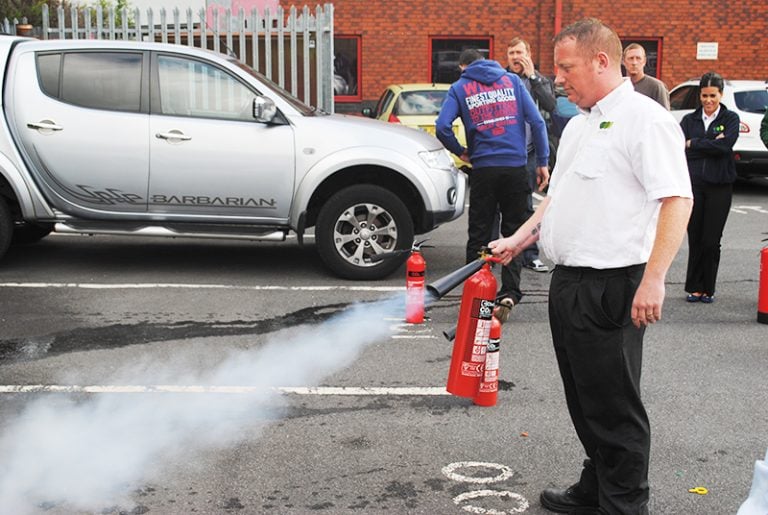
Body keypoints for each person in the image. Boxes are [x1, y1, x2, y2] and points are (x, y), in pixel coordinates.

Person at [489, 18, 692, 515]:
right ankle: (597, 485)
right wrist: (518, 239)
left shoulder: (647, 120)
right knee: (584, 399)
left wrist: (654, 279)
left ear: (602, 61)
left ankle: (624, 505)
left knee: (615, 408)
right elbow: (556, 199)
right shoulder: (579, 124)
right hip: (569, 282)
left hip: (614, 284)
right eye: (556, 67)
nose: (557, 77)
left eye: (566, 67)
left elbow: (676, 199)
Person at [436, 49, 549, 318]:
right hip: (515, 167)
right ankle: (509, 294)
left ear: (465, 67)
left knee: (480, 233)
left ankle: (476, 298)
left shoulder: (460, 86)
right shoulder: (511, 81)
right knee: (514, 231)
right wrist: (543, 160)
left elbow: (442, 126)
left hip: (484, 167)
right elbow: (536, 121)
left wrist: (460, 150)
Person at [680, 72, 739, 304]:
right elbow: (681, 148)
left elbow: (725, 147)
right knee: (695, 237)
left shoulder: (730, 118)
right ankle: (694, 287)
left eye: (713, 95)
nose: (708, 100)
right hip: (694, 187)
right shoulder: (689, 120)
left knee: (711, 240)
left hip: (720, 187)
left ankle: (708, 288)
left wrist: (694, 143)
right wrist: (711, 143)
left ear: (721, 95)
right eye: (704, 95)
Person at [505, 37, 556, 273]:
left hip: (530, 152)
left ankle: (530, 255)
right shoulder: (501, 80)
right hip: (506, 151)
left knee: (527, 206)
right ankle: (500, 251)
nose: (516, 57)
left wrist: (533, 77)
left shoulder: (539, 80)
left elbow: (550, 105)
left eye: (519, 52)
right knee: (500, 206)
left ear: (528, 54)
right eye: (511, 53)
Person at [622, 43, 670, 109]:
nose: (634, 63)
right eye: (631, 58)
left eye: (638, 58)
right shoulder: (619, 86)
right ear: (624, 61)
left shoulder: (656, 87)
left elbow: (665, 116)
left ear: (644, 61)